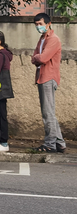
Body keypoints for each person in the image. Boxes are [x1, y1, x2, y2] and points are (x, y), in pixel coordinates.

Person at [31, 13, 67, 153]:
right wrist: (37, 58)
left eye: (40, 24)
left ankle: (50, 144)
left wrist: (37, 58)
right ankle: (60, 143)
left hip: (48, 77)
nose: (38, 27)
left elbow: (43, 58)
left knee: (48, 113)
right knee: (48, 112)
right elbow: (34, 57)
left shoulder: (53, 39)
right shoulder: (42, 39)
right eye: (36, 24)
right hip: (42, 76)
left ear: (48, 23)